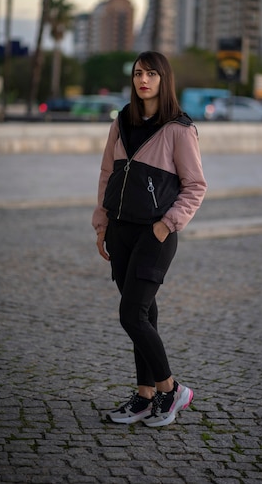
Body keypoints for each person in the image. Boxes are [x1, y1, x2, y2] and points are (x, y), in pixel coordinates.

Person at [92, 51, 207, 427]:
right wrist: (102, 221)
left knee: (131, 314)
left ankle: (172, 390)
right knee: (144, 313)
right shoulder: (122, 121)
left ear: (164, 79)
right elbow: (108, 173)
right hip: (121, 229)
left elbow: (195, 186)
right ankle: (144, 398)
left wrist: (167, 224)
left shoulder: (179, 128)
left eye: (152, 74)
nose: (144, 80)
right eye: (139, 73)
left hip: (155, 233)